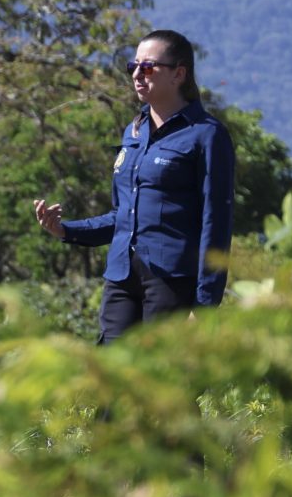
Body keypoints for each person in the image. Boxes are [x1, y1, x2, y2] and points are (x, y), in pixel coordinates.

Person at [33, 28, 235, 343]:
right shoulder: (134, 131)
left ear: (179, 74)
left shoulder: (207, 135)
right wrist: (66, 230)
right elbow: (122, 215)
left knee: (159, 379)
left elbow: (216, 223)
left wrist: (206, 301)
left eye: (149, 67)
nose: (138, 74)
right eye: (134, 66)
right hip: (121, 275)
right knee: (111, 374)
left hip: (171, 279)